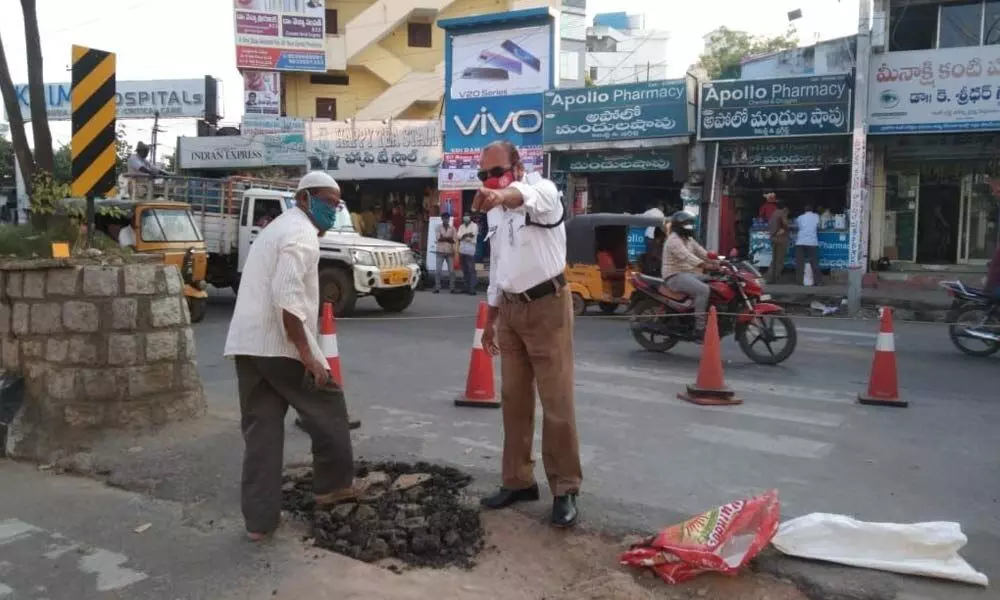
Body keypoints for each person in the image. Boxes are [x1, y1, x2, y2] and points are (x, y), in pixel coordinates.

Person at [224, 171, 359, 541]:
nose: (333, 209)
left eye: (337, 203)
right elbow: (286, 297)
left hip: (247, 344)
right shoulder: (301, 235)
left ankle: (259, 522)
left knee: (262, 431)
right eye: (327, 201)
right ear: (304, 199)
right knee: (328, 403)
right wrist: (307, 354)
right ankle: (332, 487)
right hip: (279, 343)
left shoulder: (278, 228)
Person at [475, 140, 582, 528]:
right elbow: (499, 264)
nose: (489, 180)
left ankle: (565, 488)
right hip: (510, 309)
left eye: (496, 171)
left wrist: (500, 193)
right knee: (514, 401)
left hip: (548, 305)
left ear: (518, 166)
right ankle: (518, 480)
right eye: (483, 175)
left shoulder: (544, 192)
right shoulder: (494, 215)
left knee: (556, 402)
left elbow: (523, 196)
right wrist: (490, 320)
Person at [662, 211, 719, 336]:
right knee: (703, 290)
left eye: (691, 224)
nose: (690, 227)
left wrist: (720, 261)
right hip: (675, 276)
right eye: (687, 224)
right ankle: (699, 328)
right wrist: (707, 266)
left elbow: (703, 253)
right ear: (679, 226)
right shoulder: (674, 241)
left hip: (689, 274)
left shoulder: (689, 240)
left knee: (716, 283)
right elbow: (689, 258)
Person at [795, 204, 822, 286]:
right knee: (814, 262)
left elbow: (798, 227)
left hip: (800, 241)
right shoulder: (816, 216)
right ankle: (818, 281)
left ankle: (799, 282)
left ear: (804, 210)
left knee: (800, 263)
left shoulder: (800, 217)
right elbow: (819, 226)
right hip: (812, 242)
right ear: (812, 210)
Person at [434, 212, 458, 294]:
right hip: (440, 251)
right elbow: (438, 238)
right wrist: (449, 239)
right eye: (444, 218)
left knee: (451, 271)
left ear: (449, 219)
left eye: (447, 218)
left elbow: (454, 240)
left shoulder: (453, 228)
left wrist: (444, 238)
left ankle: (452, 288)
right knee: (438, 271)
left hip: (450, 251)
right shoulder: (438, 227)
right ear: (442, 219)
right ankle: (437, 287)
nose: (446, 220)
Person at [767, 199, 789, 284]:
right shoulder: (782, 213)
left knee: (774, 260)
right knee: (779, 260)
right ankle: (775, 279)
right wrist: (784, 229)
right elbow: (785, 224)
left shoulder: (773, 213)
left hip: (773, 238)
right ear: (785, 208)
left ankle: (770, 277)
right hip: (781, 239)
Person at [457, 214, 479, 295]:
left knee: (471, 269)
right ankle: (466, 287)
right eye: (464, 216)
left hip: (470, 249)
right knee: (464, 269)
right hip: (462, 249)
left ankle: (472, 288)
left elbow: (472, 235)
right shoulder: (461, 226)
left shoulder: (475, 226)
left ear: (470, 217)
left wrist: (464, 236)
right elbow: (458, 236)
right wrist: (466, 235)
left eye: (467, 216)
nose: (465, 217)